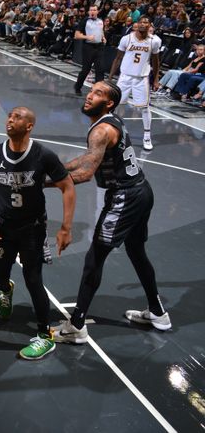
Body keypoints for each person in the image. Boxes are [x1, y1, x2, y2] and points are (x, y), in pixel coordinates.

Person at [53, 81, 171, 345]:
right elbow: (89, 157)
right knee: (137, 253)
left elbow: (85, 173)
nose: (89, 96)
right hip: (141, 191)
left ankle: (77, 325)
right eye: (91, 90)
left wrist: (45, 182)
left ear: (108, 103)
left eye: (97, 94)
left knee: (95, 257)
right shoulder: (110, 121)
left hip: (125, 197)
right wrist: (57, 169)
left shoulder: (101, 130)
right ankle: (158, 313)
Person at [0, 107, 75, 360]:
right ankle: (6, 289)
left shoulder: (43, 155)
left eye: (18, 117)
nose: (11, 119)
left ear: (29, 126)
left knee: (33, 279)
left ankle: (45, 336)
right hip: (2, 227)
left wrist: (65, 227)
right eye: (10, 116)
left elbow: (67, 186)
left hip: (32, 229)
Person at [107, 15, 160, 151]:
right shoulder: (127, 38)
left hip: (141, 78)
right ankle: (115, 133)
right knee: (116, 105)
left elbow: (156, 61)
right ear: (137, 24)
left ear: (149, 25)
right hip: (124, 77)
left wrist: (156, 79)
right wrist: (110, 78)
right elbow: (118, 58)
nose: (143, 24)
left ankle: (147, 136)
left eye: (146, 22)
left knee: (145, 107)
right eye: (141, 22)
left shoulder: (154, 41)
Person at [73, 5, 107, 95]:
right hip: (88, 47)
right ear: (88, 12)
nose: (92, 11)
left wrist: (103, 37)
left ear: (97, 11)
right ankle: (78, 86)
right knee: (86, 70)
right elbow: (76, 35)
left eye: (94, 10)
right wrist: (87, 37)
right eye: (91, 10)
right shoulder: (85, 21)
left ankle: (98, 90)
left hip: (99, 47)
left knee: (100, 69)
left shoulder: (100, 21)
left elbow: (101, 31)